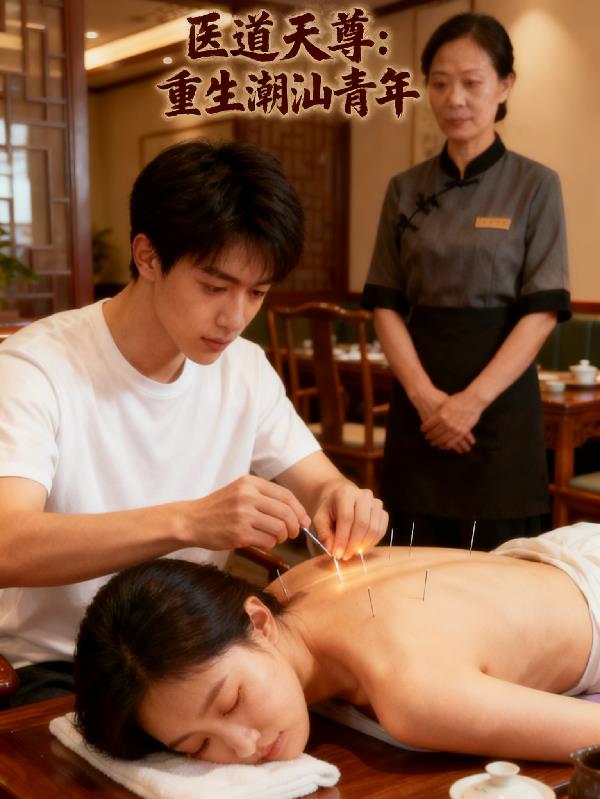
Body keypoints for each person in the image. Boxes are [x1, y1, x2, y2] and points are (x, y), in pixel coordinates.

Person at [0, 139, 387, 706]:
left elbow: (320, 482)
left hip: (199, 655)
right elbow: (7, 542)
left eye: (257, 292)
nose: (235, 318)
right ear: (148, 256)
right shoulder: (36, 366)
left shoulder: (244, 368)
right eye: (214, 287)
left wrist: (343, 500)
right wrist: (189, 521)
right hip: (65, 664)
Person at [74, 522, 600, 764]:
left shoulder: (411, 691)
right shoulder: (288, 589)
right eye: (196, 747)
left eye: (232, 702)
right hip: (554, 554)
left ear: (258, 621)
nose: (244, 746)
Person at [362, 13, 570, 549]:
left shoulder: (535, 185)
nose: (454, 99)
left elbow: (543, 310)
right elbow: (385, 302)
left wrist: (470, 402)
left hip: (498, 407)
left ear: (505, 86)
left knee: (499, 566)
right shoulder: (404, 189)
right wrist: (424, 397)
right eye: (439, 83)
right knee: (411, 563)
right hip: (419, 401)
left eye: (472, 83)